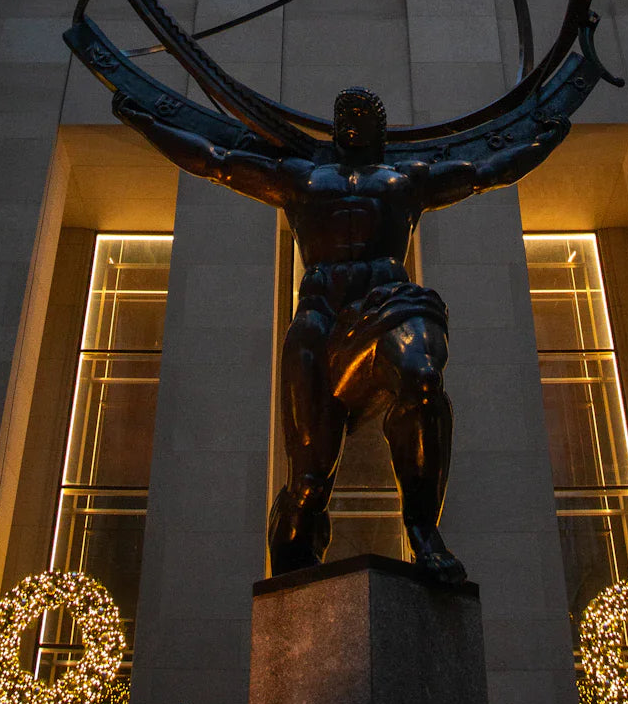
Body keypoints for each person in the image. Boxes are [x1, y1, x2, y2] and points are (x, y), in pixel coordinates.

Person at [114, 83, 569, 583]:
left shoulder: (407, 178)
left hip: (386, 308)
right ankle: (294, 563)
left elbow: (484, 173)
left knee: (421, 377)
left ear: (380, 126)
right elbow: (216, 161)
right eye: (343, 112)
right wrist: (147, 124)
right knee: (309, 481)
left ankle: (422, 530)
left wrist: (544, 139)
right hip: (318, 321)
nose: (350, 118)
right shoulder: (301, 177)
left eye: (361, 111)